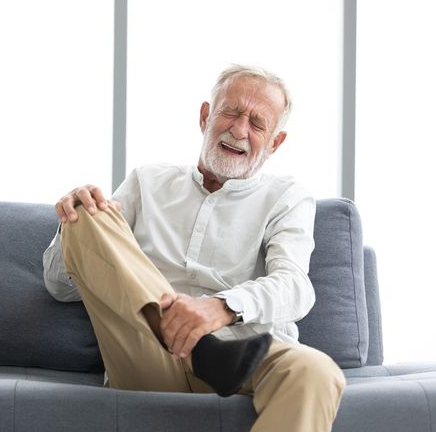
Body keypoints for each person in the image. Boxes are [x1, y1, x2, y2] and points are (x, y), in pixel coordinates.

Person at [42, 64, 345, 432]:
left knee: (316, 371)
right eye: (230, 112)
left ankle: (207, 349)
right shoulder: (147, 181)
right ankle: (200, 350)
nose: (239, 129)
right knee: (86, 211)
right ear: (205, 116)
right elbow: (61, 286)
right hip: (147, 355)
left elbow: (295, 287)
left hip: (240, 356)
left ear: (275, 143)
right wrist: (73, 224)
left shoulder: (287, 196)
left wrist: (221, 307)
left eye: (257, 123)